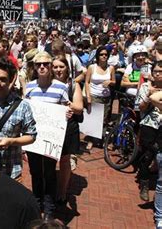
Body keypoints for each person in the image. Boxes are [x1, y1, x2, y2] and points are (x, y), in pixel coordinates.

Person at [25, 51, 69, 220]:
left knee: (50, 172)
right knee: (35, 171)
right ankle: (37, 204)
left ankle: (49, 209)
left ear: (51, 66)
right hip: (34, 138)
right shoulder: (30, 87)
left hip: (51, 138)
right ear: (34, 67)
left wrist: (68, 112)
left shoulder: (61, 87)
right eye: (38, 64)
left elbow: (65, 108)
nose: (42, 67)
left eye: (45, 64)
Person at [0, 58, 37, 181]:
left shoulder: (22, 106)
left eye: (3, 79)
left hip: (12, 170)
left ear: (11, 80)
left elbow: (31, 136)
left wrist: (11, 141)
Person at [51, 55, 84, 204]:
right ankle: (49, 189)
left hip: (68, 127)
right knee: (49, 160)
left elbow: (79, 108)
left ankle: (62, 191)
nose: (58, 70)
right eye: (55, 67)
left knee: (64, 161)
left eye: (61, 66)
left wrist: (66, 103)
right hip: (51, 126)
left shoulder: (73, 85)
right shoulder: (48, 83)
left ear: (67, 69)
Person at [135, 61, 162, 202]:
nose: (157, 74)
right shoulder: (146, 86)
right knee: (147, 155)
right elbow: (140, 107)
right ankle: (144, 184)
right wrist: (149, 96)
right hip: (149, 124)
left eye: (160, 71)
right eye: (155, 71)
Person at [84, 46, 116, 150]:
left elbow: (114, 81)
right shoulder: (92, 67)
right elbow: (87, 82)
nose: (104, 56)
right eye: (101, 54)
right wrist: (88, 95)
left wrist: (110, 82)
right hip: (94, 96)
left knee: (104, 119)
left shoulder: (110, 68)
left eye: (106, 55)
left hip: (106, 97)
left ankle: (101, 139)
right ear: (97, 56)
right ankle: (91, 140)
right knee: (93, 119)